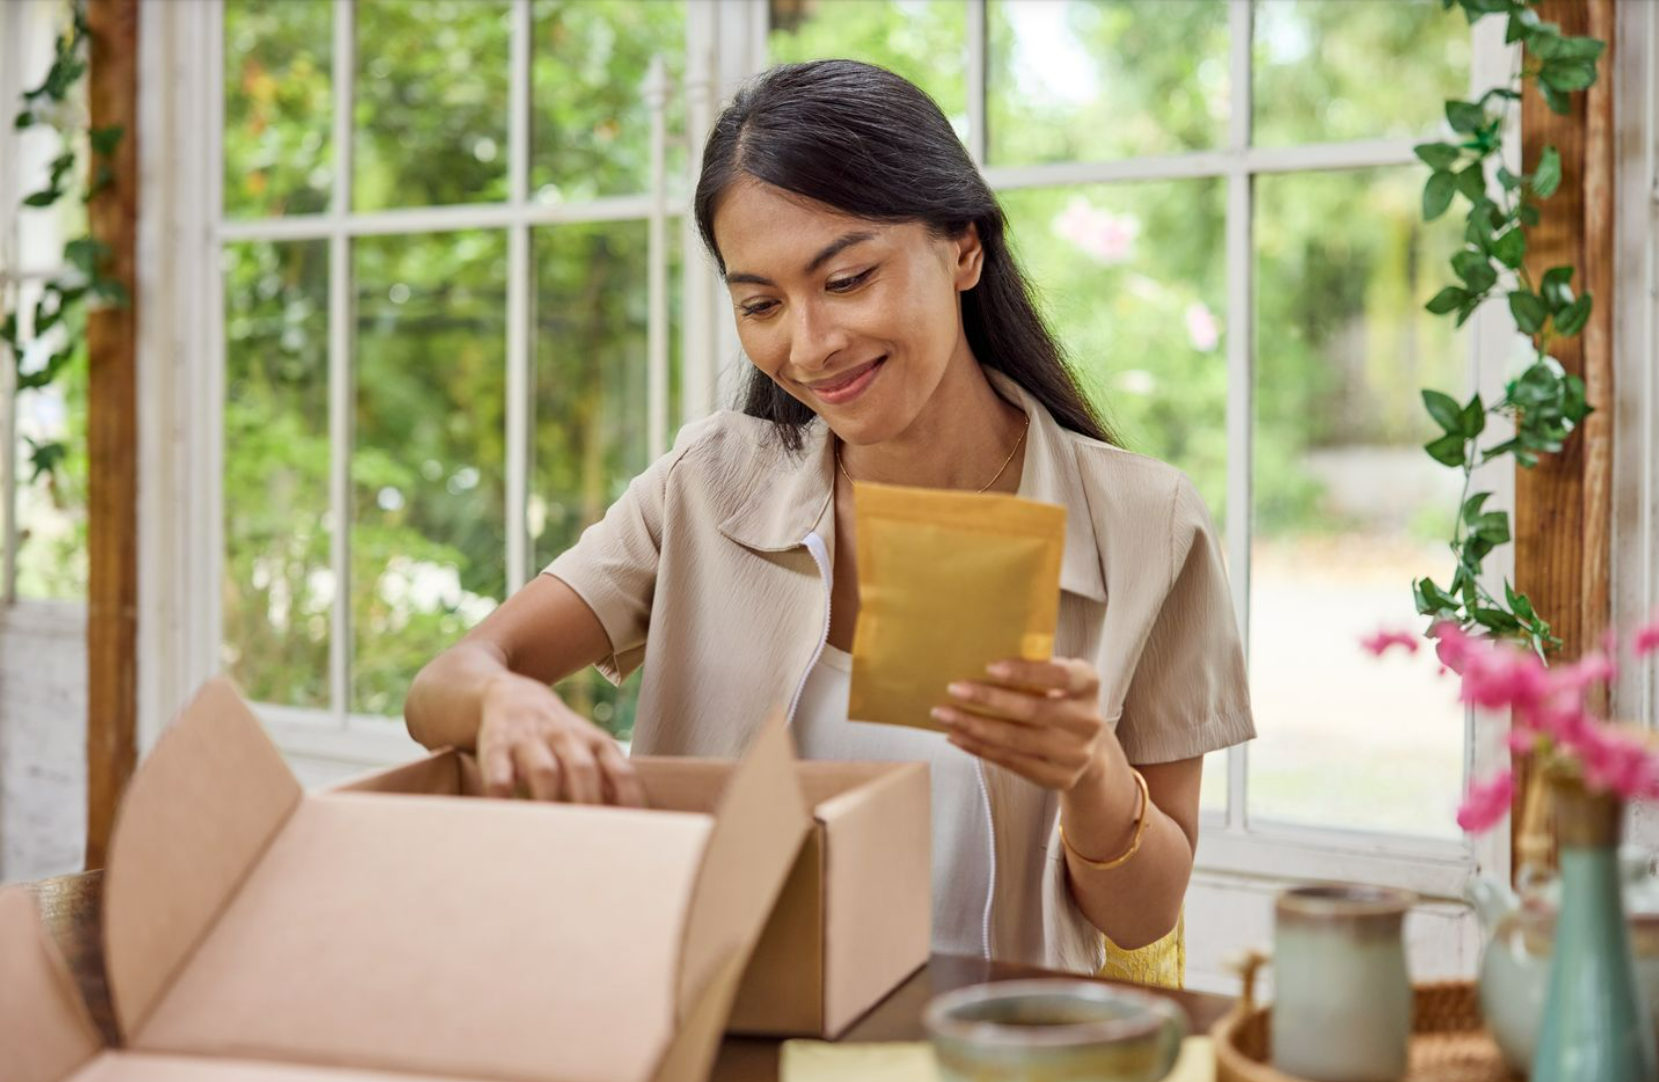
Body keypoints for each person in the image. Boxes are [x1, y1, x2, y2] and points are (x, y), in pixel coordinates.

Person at [404, 58, 1254, 980]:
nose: (808, 347)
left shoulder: (1145, 524)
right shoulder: (707, 488)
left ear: (963, 249)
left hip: (981, 1041)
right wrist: (503, 702)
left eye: (846, 279)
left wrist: (1091, 774)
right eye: (760, 304)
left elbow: (1142, 915)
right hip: (726, 1030)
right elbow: (443, 685)